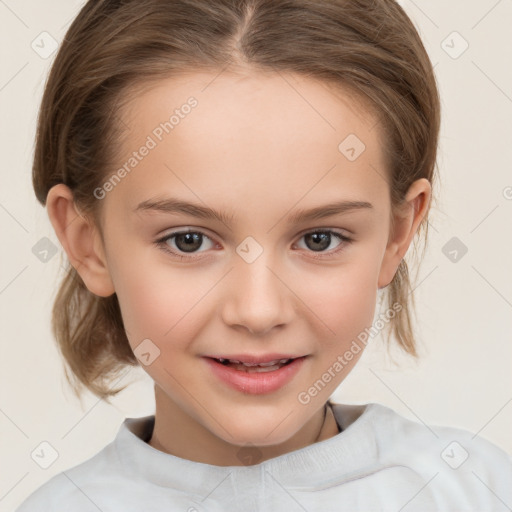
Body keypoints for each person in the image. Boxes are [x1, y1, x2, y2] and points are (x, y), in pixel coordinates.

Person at [16, 0, 512, 510]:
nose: (258, 311)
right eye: (188, 240)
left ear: (397, 234)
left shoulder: (479, 491)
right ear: (86, 241)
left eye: (320, 239)